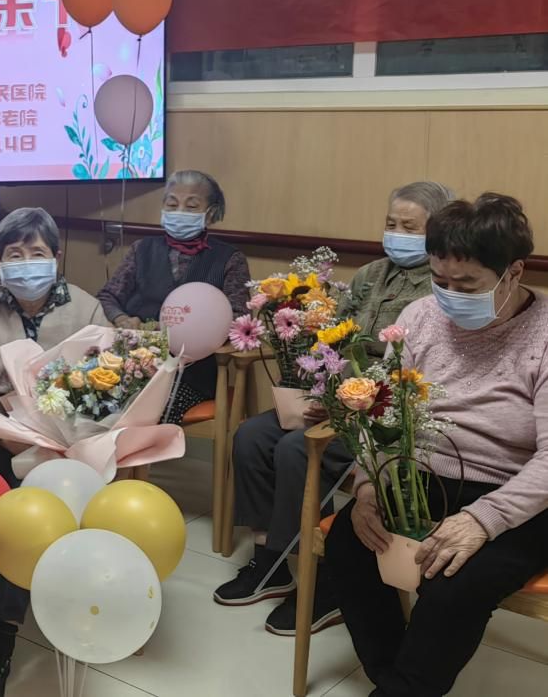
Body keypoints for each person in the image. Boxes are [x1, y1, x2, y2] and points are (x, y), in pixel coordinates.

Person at [326, 193, 548, 697]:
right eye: (439, 280)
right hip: (419, 476)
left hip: (517, 497)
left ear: (514, 271)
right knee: (349, 546)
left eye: (466, 285)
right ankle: (395, 680)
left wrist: (482, 520)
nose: (449, 295)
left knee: (452, 583)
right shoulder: (421, 317)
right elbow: (381, 412)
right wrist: (368, 486)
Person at [216, 181, 454, 637]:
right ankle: (270, 559)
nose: (396, 233)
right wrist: (316, 389)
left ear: (437, 232)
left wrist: (349, 402)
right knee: (251, 436)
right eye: (391, 223)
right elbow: (331, 341)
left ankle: (325, 579)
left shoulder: (441, 286)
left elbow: (419, 370)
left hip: (382, 414)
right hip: (334, 397)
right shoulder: (369, 275)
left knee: (295, 450)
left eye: (410, 227)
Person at [0, 207, 109, 697]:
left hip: (57, 445)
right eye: (14, 254)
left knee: (28, 509)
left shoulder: (87, 310)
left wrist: (46, 436)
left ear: (56, 256)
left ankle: (3, 632)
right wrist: (5, 429)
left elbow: (98, 389)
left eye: (36, 252)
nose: (26, 262)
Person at [97, 169, 249, 424]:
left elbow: (239, 320)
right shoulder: (141, 249)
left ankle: (141, 449)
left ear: (211, 213)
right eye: (172, 204)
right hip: (134, 364)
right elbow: (107, 297)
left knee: (143, 408)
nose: (179, 211)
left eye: (191, 206)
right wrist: (123, 319)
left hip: (191, 374)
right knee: (94, 398)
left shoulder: (229, 259)